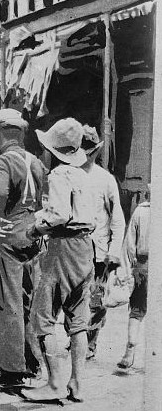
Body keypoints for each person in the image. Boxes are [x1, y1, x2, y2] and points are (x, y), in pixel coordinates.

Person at [23, 118, 96, 403]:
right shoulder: (83, 175)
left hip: (63, 247)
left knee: (42, 317)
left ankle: (53, 382)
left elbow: (59, 215)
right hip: (85, 248)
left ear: (52, 152)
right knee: (78, 320)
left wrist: (35, 227)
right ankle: (76, 383)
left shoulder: (58, 176)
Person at [0, 108, 46, 387]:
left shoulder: (2, 162)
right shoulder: (36, 161)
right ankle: (33, 362)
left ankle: (11, 368)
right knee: (30, 300)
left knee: (9, 300)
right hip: (31, 232)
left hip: (8, 234)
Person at [80, 125, 125, 360]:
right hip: (76, 250)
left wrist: (114, 251)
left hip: (99, 252)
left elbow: (117, 219)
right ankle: (76, 337)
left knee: (96, 299)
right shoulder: (71, 174)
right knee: (74, 298)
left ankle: (91, 341)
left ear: (95, 152)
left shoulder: (105, 180)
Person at [115, 187, 150, 370]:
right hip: (145, 267)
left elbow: (129, 246)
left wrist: (126, 271)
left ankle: (129, 353)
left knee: (136, 311)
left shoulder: (141, 211)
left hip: (142, 267)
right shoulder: (141, 211)